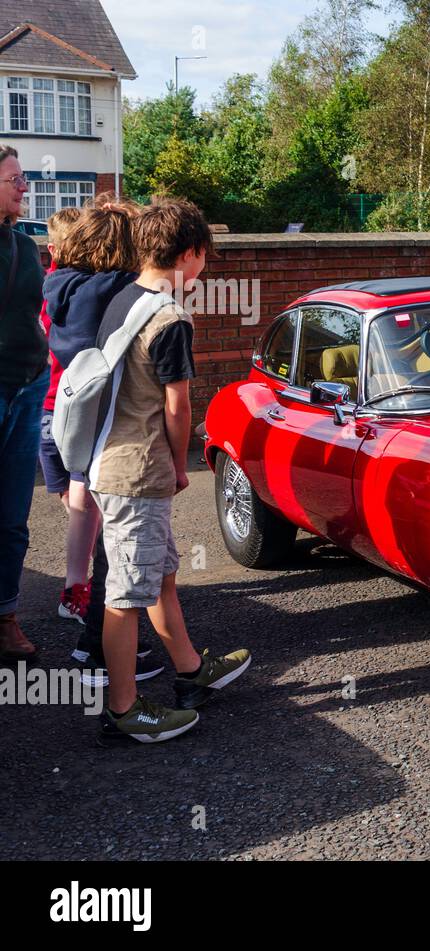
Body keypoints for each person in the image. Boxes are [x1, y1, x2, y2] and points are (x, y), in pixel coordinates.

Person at [92, 196, 251, 744]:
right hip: (138, 469)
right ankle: (124, 709)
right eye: (205, 255)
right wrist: (182, 464)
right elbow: (177, 406)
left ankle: (189, 669)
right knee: (126, 591)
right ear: (190, 253)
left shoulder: (123, 301)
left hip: (112, 459)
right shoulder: (170, 317)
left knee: (158, 572)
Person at [44, 198, 163, 683]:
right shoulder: (114, 292)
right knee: (118, 544)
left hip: (67, 417)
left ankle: (96, 634)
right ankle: (101, 654)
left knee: (103, 533)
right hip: (107, 428)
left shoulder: (60, 284)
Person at [37, 206, 102, 624]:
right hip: (77, 411)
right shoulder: (93, 293)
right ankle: (82, 589)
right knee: (86, 504)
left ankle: (78, 585)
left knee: (77, 503)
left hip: (47, 411)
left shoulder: (47, 290)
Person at [0, 146, 50, 663]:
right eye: (15, 178)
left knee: (13, 517)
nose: (25, 186)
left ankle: (6, 618)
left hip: (27, 386)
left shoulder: (23, 243)